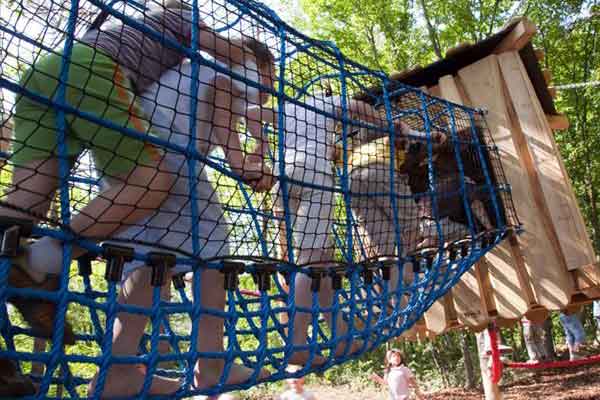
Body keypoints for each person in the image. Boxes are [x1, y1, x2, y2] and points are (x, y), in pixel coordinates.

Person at [3, 0, 250, 345]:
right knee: (151, 181)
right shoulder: (180, 18)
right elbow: (232, 55)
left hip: (42, 75)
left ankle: (16, 270)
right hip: (91, 70)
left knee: (24, 205)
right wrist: (247, 56)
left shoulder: (132, 35)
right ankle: (42, 259)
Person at [87, 34, 276, 397]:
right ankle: (210, 363)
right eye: (271, 75)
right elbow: (236, 157)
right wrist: (256, 166)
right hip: (169, 158)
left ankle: (117, 367)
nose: (273, 87)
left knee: (147, 262)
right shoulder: (224, 80)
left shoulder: (199, 73)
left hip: (128, 158)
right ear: (253, 66)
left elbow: (239, 131)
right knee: (214, 246)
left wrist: (258, 140)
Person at [272, 93, 413, 366]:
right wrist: (389, 125)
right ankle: (296, 344)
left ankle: (340, 338)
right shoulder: (326, 104)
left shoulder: (285, 109)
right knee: (312, 261)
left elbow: (254, 114)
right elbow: (358, 107)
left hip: (284, 174)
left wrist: (255, 148)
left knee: (323, 259)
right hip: (314, 175)